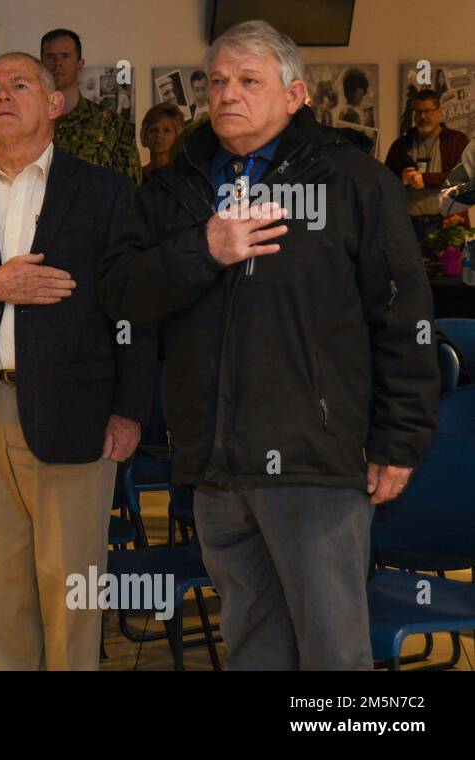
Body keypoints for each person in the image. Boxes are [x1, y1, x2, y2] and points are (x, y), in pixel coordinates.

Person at [97, 20, 439, 670]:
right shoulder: (176, 186)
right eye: (217, 81)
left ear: (295, 94)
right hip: (217, 469)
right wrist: (204, 250)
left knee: (332, 654)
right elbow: (120, 292)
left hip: (316, 466)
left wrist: (398, 443)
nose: (228, 94)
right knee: (254, 649)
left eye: (248, 81)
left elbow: (404, 320)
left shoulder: (354, 181)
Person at [0, 53, 156, 670]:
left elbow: (138, 312)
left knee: (70, 582)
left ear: (55, 104)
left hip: (77, 411)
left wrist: (129, 409)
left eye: (20, 84)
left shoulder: (106, 191)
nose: (2, 95)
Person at [40, 28, 141, 184]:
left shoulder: (110, 124)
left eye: (65, 56)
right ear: (41, 65)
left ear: (80, 64)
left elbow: (130, 186)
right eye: (50, 57)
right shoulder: (28, 122)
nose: (57, 63)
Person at [385, 88, 471, 242]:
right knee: (410, 267)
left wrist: (425, 180)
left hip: (447, 223)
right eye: (418, 112)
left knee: (448, 266)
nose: (422, 116)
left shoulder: (457, 141)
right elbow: (384, 184)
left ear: (440, 112)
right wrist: (401, 180)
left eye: (427, 111)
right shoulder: (401, 145)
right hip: (410, 224)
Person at [141, 101, 185, 178]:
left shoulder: (183, 178)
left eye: (166, 130)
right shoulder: (135, 177)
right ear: (145, 134)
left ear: (177, 136)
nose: (158, 135)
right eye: (153, 130)